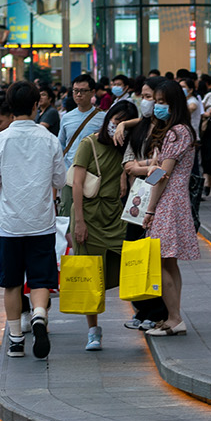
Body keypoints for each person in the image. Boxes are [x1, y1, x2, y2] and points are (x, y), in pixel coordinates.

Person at [0, 81, 63, 356]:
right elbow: (60, 180)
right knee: (40, 279)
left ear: (11, 107)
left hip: (10, 222)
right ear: (35, 106)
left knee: (12, 282)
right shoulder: (49, 139)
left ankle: (16, 339)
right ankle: (39, 314)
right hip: (42, 220)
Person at [123, 77, 198, 333]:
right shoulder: (181, 130)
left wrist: (150, 208)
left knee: (161, 261)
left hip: (167, 201)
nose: (157, 106)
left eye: (162, 102)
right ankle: (174, 317)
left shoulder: (176, 132)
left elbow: (162, 174)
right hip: (175, 200)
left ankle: (174, 318)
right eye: (156, 101)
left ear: (174, 104)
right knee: (169, 262)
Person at [69, 99, 140, 350]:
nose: (118, 126)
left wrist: (127, 127)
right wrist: (79, 222)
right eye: (116, 120)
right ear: (108, 118)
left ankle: (140, 311)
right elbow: (77, 184)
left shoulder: (127, 147)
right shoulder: (88, 143)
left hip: (115, 214)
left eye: (125, 123)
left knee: (130, 263)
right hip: (88, 213)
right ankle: (93, 330)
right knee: (90, 273)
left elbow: (150, 121)